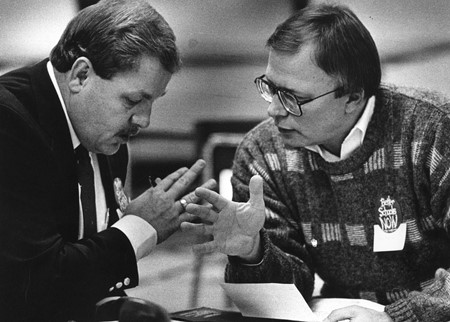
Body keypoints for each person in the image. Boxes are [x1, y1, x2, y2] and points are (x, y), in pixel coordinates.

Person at [181, 3, 450, 322]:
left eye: (294, 98)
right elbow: (289, 295)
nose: (274, 111)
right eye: (271, 89)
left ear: (353, 96)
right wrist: (253, 252)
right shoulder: (263, 152)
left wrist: (398, 317)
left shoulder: (433, 130)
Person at [0, 0, 215, 321]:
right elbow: (32, 285)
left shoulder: (103, 134)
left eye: (152, 102)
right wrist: (140, 228)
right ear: (81, 75)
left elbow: (80, 273)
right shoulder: (8, 123)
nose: (144, 120)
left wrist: (119, 307)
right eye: (133, 100)